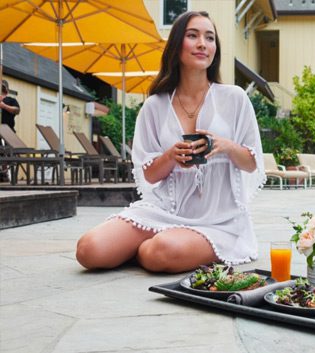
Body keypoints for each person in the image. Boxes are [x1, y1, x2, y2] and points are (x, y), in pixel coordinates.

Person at [76, 11, 265, 273]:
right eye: (192, 36)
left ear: (215, 49)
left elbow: (253, 163)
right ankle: (154, 246)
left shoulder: (234, 98)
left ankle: (156, 249)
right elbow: (150, 175)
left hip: (219, 220)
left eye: (209, 38)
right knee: (89, 250)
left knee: (158, 252)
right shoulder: (155, 106)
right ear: (176, 46)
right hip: (164, 210)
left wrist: (225, 145)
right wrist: (170, 157)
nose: (202, 43)